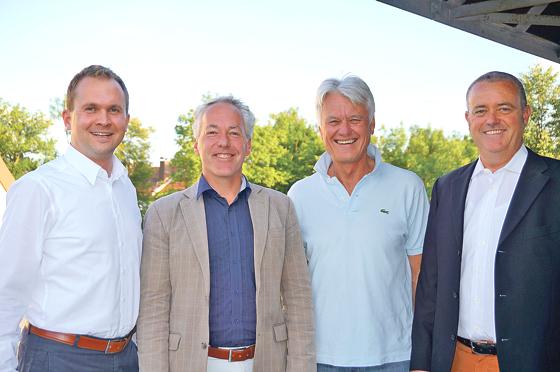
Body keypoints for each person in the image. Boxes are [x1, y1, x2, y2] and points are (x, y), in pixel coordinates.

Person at [137, 96, 315, 372]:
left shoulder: (280, 208)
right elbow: (154, 309)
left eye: (234, 133)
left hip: (266, 362)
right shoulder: (163, 214)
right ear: (196, 145)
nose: (224, 142)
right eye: (212, 132)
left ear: (248, 146)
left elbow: (299, 301)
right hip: (191, 364)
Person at [410, 71, 560, 372]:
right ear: (468, 119)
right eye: (481, 110)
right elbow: (431, 285)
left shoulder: (554, 183)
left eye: (504, 108)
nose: (492, 119)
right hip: (455, 360)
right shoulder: (447, 187)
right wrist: (421, 364)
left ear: (526, 114)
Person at [0, 65, 142, 372]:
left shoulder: (125, 190)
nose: (104, 120)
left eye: (114, 110)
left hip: (127, 358)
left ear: (126, 121)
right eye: (91, 108)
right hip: (59, 358)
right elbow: (6, 292)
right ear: (68, 118)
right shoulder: (39, 189)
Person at [287, 76, 429, 371]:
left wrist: (423, 356)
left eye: (355, 119)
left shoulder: (407, 187)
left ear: (372, 124)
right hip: (321, 358)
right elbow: (290, 285)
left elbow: (421, 276)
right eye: (333, 121)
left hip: (395, 357)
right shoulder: (300, 195)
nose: (345, 130)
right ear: (320, 129)